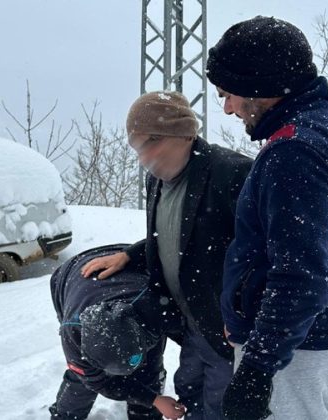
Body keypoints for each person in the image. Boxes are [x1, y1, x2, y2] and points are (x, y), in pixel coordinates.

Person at [206, 16, 328, 420]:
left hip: (297, 353)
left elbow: (301, 277)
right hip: (311, 336)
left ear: (260, 86)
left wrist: (258, 369)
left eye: (228, 93)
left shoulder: (293, 153)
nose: (227, 107)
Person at [80, 91, 253, 419]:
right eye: (137, 147)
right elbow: (174, 235)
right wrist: (132, 255)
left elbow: (265, 251)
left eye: (152, 142)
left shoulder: (232, 173)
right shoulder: (156, 181)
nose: (144, 156)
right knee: (188, 387)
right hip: (189, 322)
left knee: (222, 404)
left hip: (225, 328)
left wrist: (245, 313)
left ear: (186, 133)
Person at [49, 244, 186, 420]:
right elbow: (98, 382)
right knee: (84, 379)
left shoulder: (158, 309)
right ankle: (65, 416)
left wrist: (154, 400)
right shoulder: (73, 333)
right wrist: (153, 399)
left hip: (124, 264)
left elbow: (195, 341)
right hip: (72, 275)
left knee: (149, 370)